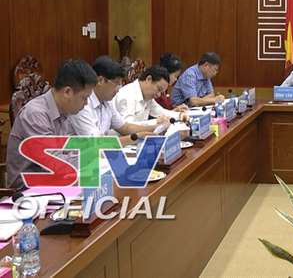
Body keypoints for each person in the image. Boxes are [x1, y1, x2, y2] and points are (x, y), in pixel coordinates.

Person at [6, 59, 97, 188]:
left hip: (56, 181)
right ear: (67, 92)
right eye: (84, 97)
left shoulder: (66, 111)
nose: (86, 103)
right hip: (29, 189)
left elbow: (70, 152)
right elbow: (56, 164)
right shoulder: (35, 114)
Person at [69, 56, 157, 144]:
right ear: (100, 80)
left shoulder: (107, 102)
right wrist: (135, 137)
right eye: (116, 83)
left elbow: (125, 127)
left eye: (120, 84)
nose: (118, 89)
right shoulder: (82, 104)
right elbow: (96, 143)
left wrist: (155, 128)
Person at [114, 65, 188, 125]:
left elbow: (160, 112)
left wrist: (180, 115)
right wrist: (155, 122)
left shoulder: (147, 97)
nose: (158, 95)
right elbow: (128, 126)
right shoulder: (128, 94)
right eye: (158, 89)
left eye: (161, 92)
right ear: (148, 79)